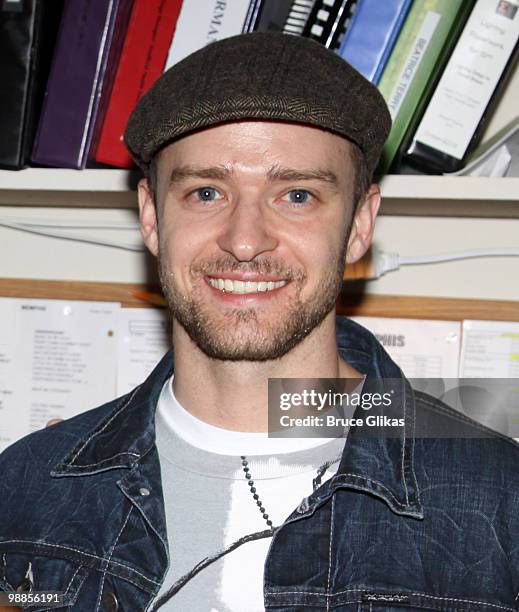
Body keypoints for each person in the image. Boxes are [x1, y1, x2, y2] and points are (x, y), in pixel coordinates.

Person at [1, 31, 519, 612]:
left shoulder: (502, 500)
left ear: (359, 225)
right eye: (205, 192)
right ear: (150, 216)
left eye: (296, 195)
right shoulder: (27, 488)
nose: (245, 241)